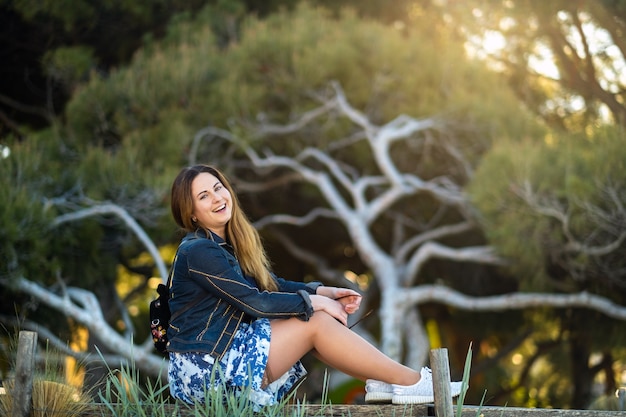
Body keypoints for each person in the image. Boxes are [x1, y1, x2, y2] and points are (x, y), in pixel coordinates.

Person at [166, 164, 462, 408]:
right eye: (203, 196)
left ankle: (385, 381)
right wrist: (316, 304)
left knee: (316, 317)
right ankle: (410, 382)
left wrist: (323, 292)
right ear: (191, 212)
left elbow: (273, 286)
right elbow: (258, 302)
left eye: (218, 188)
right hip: (205, 370)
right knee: (316, 321)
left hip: (220, 356)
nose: (217, 198)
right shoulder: (199, 251)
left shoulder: (222, 246)